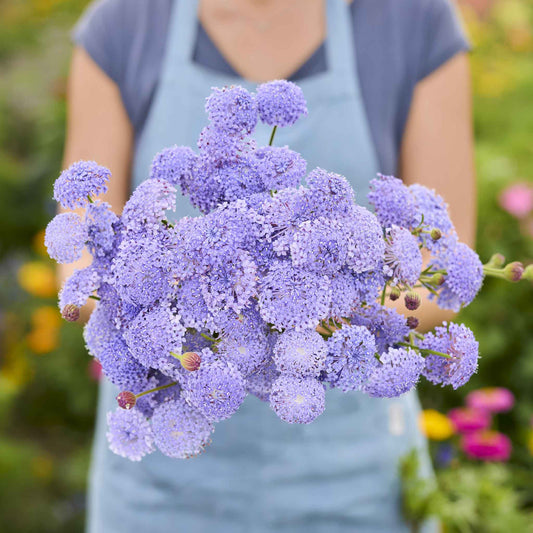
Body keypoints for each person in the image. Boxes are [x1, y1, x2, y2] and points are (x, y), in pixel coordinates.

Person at [62, 0, 475, 531]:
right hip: (163, 490)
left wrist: (309, 325)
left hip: (354, 480)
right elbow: (84, 254)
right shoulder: (124, 24)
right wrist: (213, 322)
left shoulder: (413, 21)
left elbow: (442, 265)